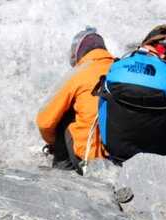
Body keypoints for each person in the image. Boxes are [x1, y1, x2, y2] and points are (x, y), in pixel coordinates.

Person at [37, 27, 114, 172]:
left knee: (63, 115)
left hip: (90, 159)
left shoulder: (79, 72)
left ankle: (62, 172)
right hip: (125, 155)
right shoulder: (120, 67)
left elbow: (45, 122)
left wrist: (52, 144)